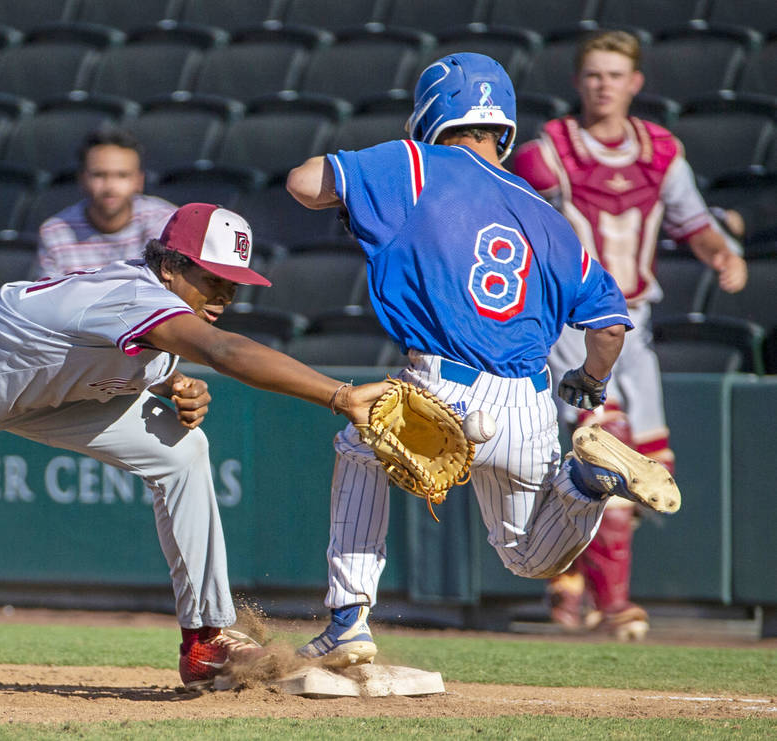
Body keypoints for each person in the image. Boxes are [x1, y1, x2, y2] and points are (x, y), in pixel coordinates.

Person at [0, 203, 393, 704]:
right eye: (213, 278)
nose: (225, 294)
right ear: (170, 266)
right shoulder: (134, 294)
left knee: (182, 451)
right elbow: (227, 352)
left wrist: (172, 382)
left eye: (235, 284)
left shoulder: (164, 311)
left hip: (28, 394)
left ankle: (206, 639)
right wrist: (340, 395)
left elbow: (136, 357)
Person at [286, 52, 679, 667]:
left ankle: (347, 622)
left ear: (431, 112)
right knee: (529, 558)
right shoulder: (548, 215)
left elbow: (304, 182)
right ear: (504, 126)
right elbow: (608, 328)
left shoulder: (416, 161)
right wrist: (588, 382)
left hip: (441, 382)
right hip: (528, 403)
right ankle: (586, 482)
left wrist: (360, 193)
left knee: (359, 446)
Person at [510, 30, 747, 639]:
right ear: (578, 81)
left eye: (615, 74)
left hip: (634, 327)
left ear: (635, 83)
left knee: (640, 465)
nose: (603, 85)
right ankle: (613, 604)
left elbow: (694, 221)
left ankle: (573, 587)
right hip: (574, 322)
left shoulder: (662, 152)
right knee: (605, 450)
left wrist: (723, 252)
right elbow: (506, 216)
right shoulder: (550, 152)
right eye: (593, 74)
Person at [37, 128, 176, 276]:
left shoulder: (167, 222)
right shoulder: (54, 233)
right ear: (82, 179)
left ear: (139, 181)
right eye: (99, 175)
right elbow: (47, 297)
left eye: (122, 175)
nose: (110, 186)